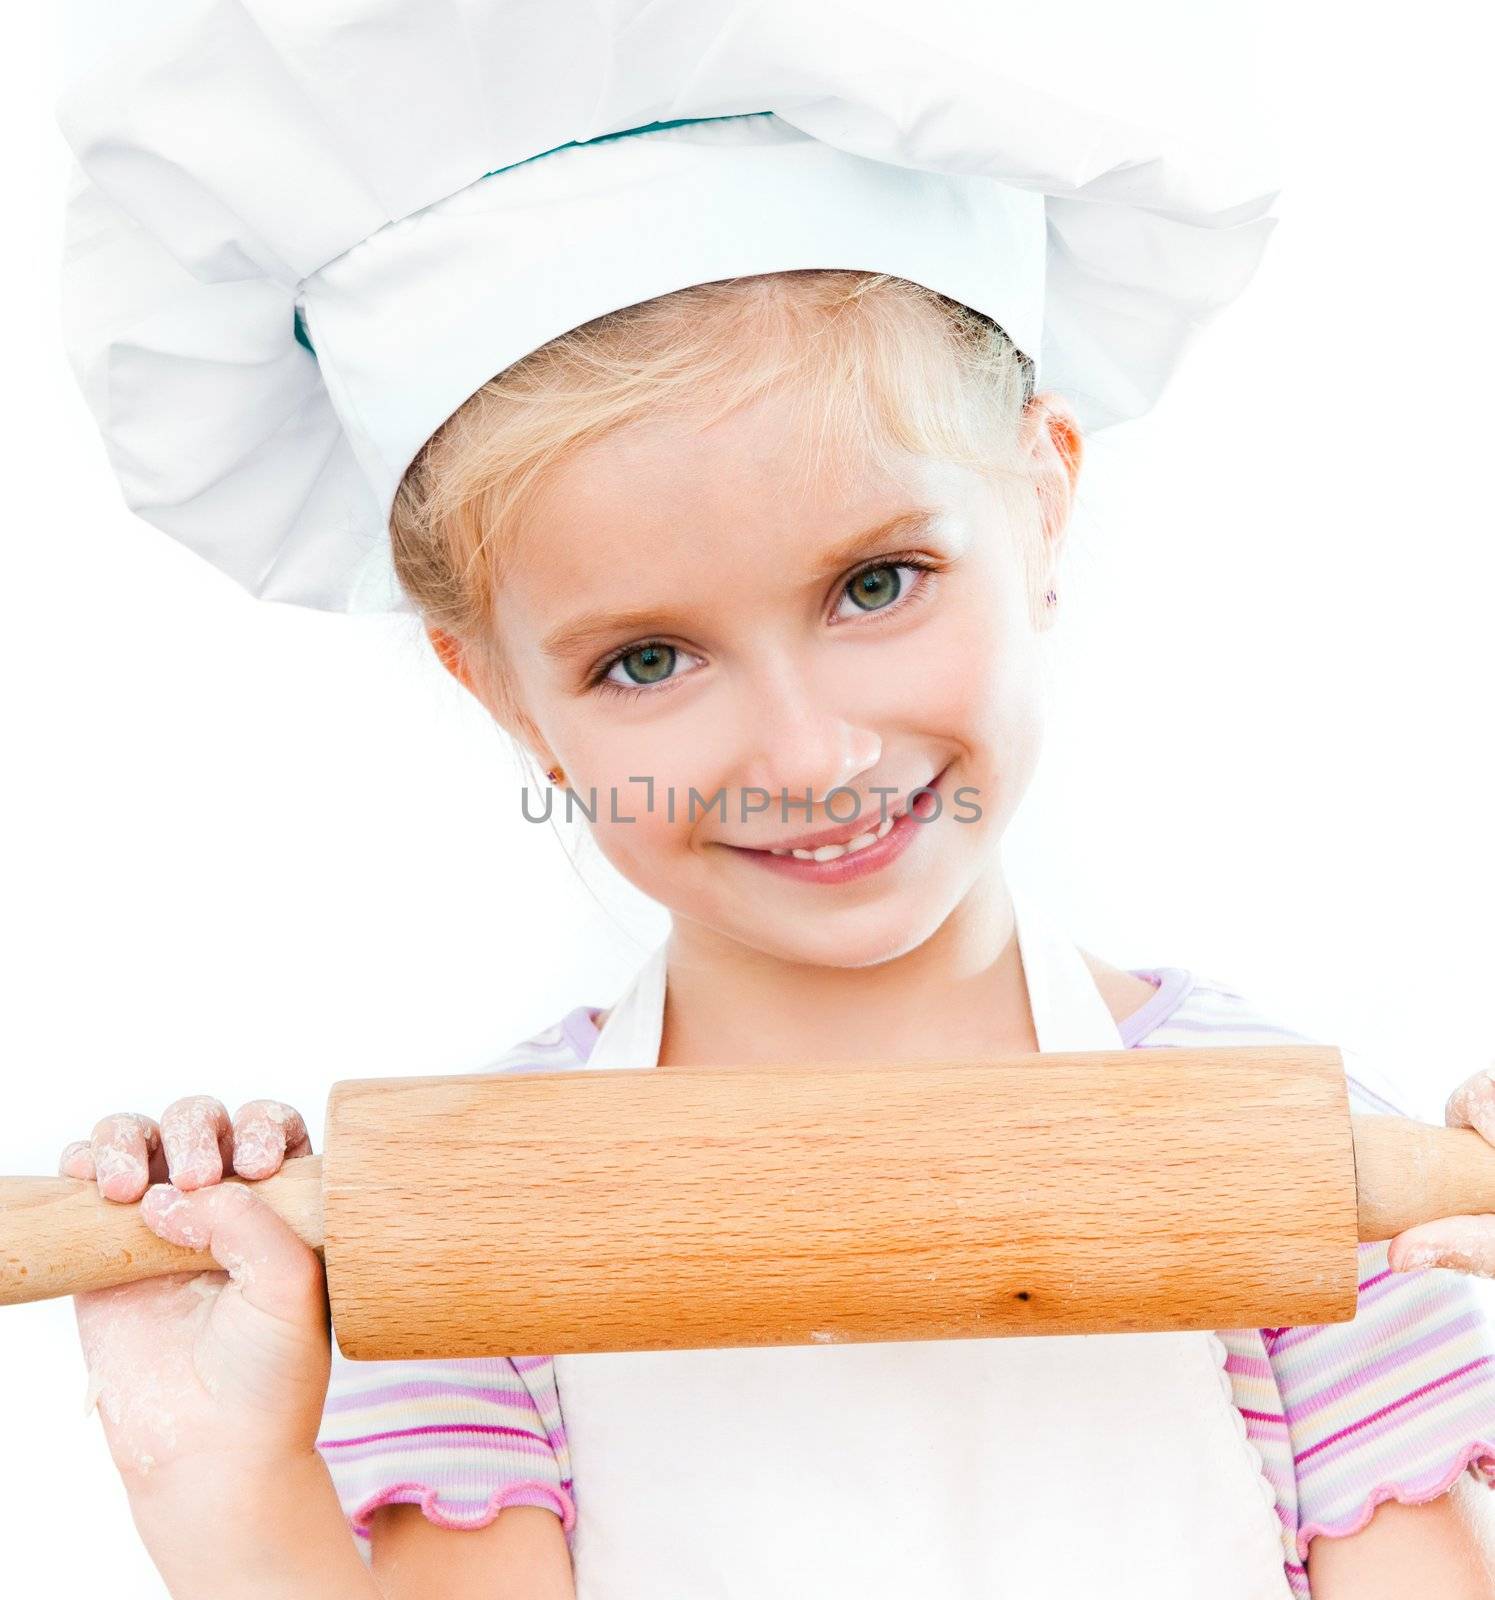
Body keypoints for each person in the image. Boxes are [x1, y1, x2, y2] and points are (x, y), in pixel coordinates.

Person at [49, 3, 1495, 1596]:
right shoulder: (479, 1218)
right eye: (649, 659)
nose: (808, 756)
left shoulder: (1307, 1176)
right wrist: (217, 1482)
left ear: (1043, 500)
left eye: (878, 582)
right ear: (497, 693)